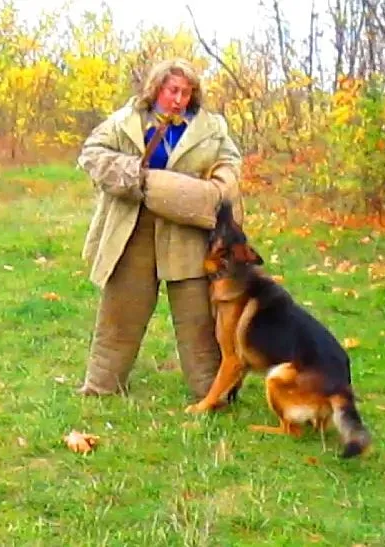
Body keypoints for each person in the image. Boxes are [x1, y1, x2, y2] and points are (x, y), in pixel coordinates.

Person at [76, 58, 243, 401]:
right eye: (172, 90)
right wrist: (135, 177)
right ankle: (101, 386)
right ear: (156, 89)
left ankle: (213, 393)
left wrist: (212, 192)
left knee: (198, 316)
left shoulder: (211, 127)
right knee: (121, 309)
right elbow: (91, 153)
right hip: (133, 224)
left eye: (187, 92)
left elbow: (231, 164)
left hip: (187, 229)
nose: (179, 99)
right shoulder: (127, 121)